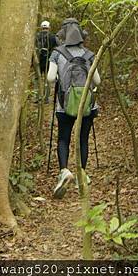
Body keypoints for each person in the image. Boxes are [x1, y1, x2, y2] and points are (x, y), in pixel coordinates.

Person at [47, 18, 100, 199]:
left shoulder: (57, 53)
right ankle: (81, 174)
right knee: (83, 139)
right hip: (87, 105)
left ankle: (64, 171)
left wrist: (59, 79)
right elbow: (97, 81)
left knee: (63, 138)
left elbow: (49, 77)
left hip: (64, 104)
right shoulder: (89, 54)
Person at [35, 21, 59, 103]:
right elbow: (57, 48)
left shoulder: (36, 36)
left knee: (37, 78)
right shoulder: (53, 37)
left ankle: (37, 97)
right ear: (49, 28)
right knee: (47, 79)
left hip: (38, 61)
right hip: (49, 61)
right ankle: (46, 98)